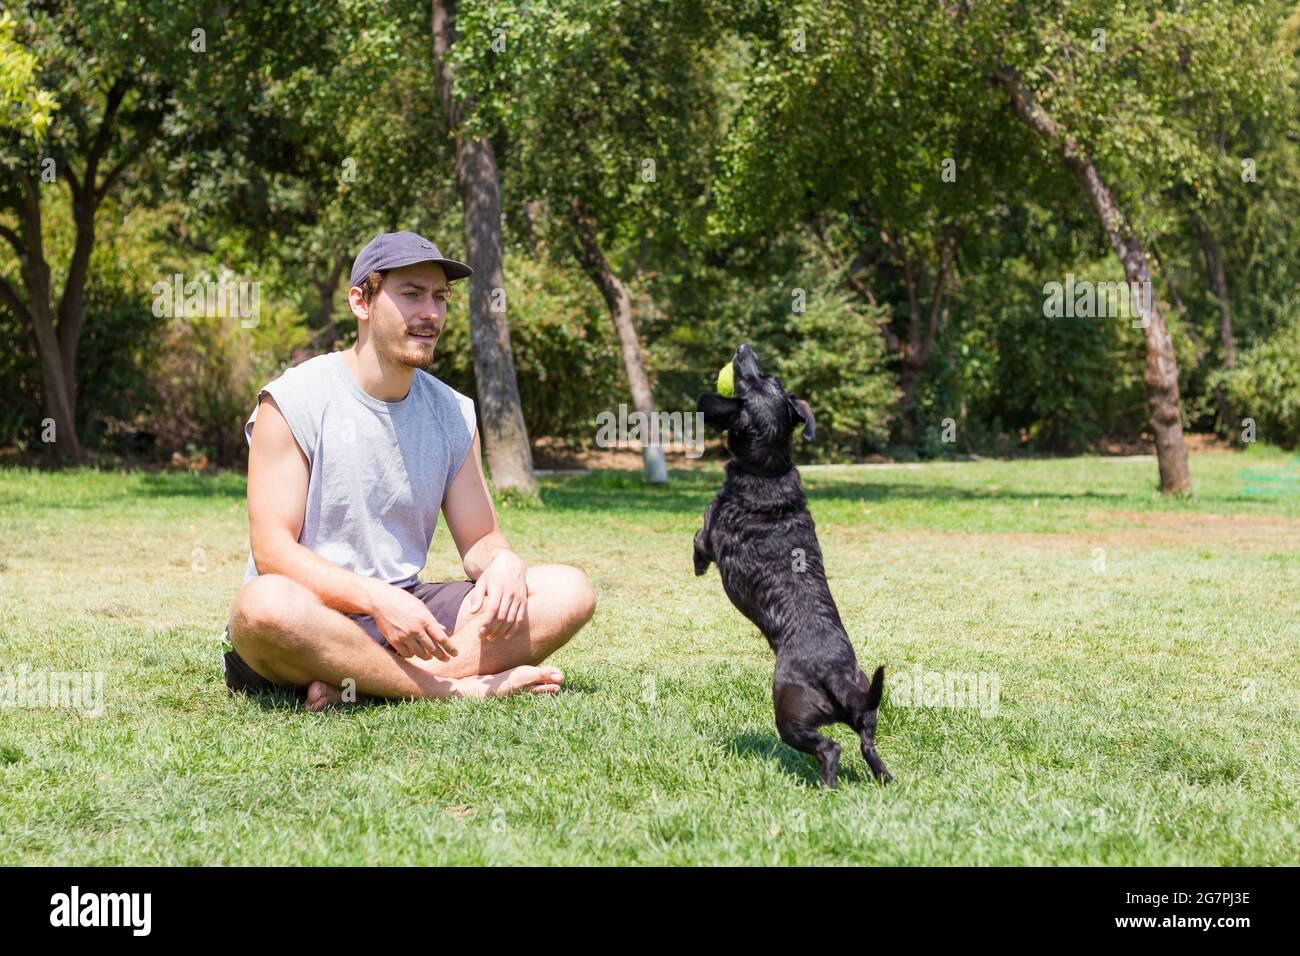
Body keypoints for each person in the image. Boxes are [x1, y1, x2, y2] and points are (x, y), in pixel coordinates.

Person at [221, 231, 595, 710]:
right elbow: (273, 552)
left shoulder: (453, 412)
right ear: (361, 301)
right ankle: (451, 687)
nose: (431, 314)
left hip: (409, 612)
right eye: (412, 294)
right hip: (311, 613)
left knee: (568, 590)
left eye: (440, 298)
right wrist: (375, 599)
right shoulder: (293, 400)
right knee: (262, 606)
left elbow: (481, 539)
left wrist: (504, 563)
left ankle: (370, 684)